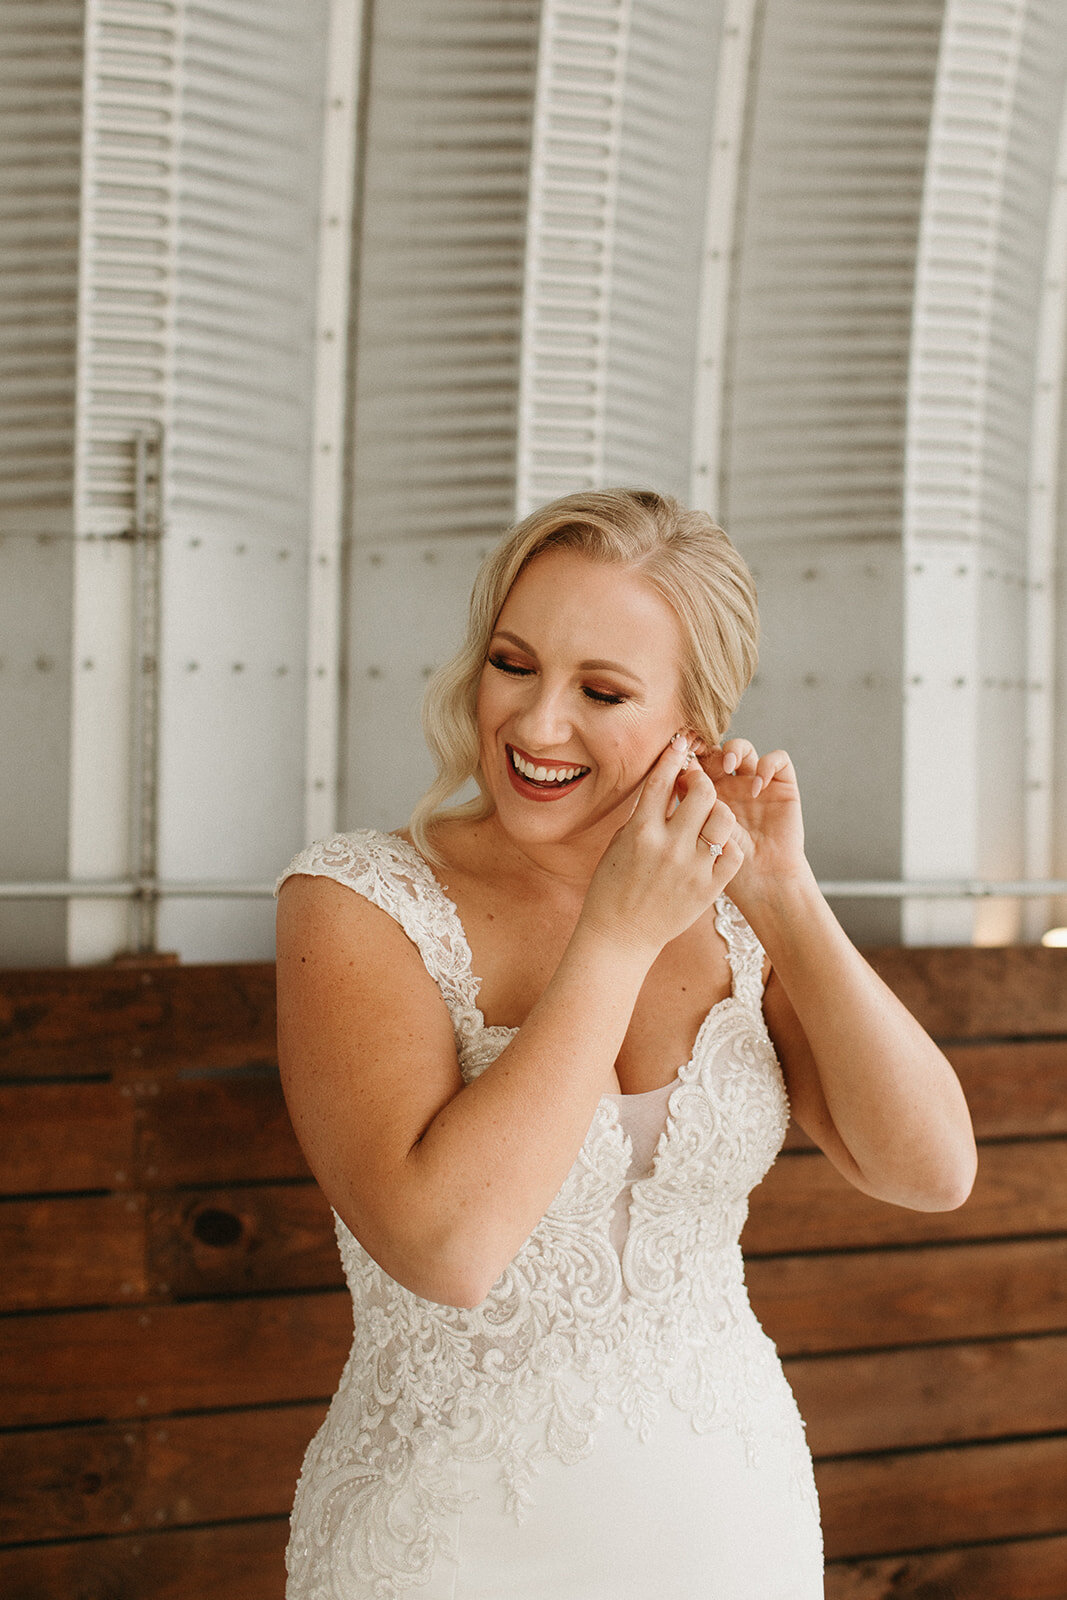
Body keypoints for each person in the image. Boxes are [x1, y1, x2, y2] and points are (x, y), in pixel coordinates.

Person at [274, 488, 977, 1600]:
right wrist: (613, 935)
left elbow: (930, 1170)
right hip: (446, 1545)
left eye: (600, 690)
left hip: (727, 1522)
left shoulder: (739, 905)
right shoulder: (357, 899)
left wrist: (785, 892)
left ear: (692, 721)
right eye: (513, 663)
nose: (535, 723)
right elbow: (447, 1249)